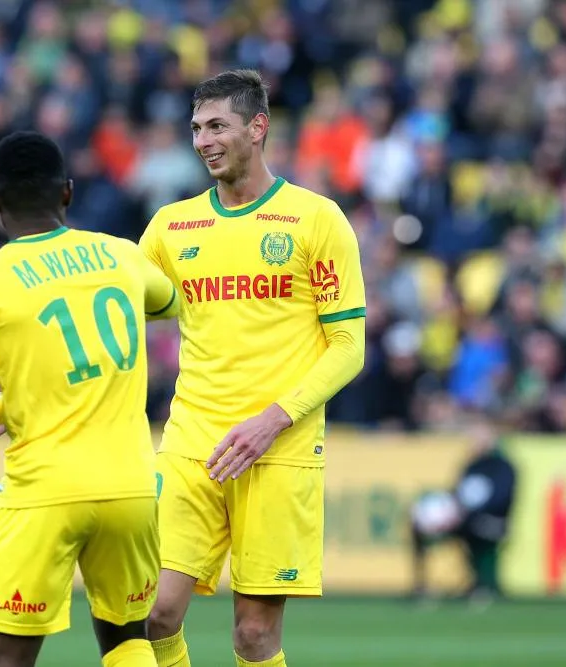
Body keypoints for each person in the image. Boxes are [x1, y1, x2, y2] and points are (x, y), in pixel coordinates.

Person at [139, 69, 366, 667]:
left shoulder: (316, 220)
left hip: (279, 446)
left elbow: (348, 345)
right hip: (192, 440)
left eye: (218, 126)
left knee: (254, 636)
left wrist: (274, 419)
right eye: (195, 128)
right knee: (154, 612)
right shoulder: (170, 226)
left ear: (258, 127)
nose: (203, 140)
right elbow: (112, 315)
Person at [0, 131, 180, 667]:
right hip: (131, 487)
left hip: (44, 489)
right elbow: (168, 303)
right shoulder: (120, 255)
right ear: (67, 193)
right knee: (127, 637)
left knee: (4, 654)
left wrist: (19, 407)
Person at [410, 413, 517, 603]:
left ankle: (482, 586)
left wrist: (465, 514)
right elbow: (458, 493)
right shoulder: (472, 465)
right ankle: (422, 586)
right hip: (466, 519)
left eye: (479, 437)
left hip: (491, 521)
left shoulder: (502, 466)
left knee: (472, 527)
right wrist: (450, 512)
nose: (474, 441)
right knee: (418, 525)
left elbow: (500, 499)